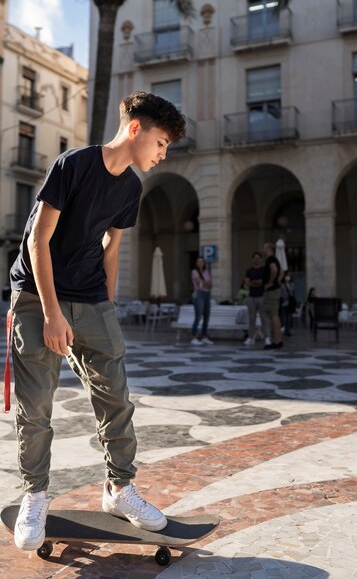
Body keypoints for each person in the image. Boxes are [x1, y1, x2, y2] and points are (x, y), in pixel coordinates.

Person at [8, 91, 186, 551]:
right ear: (135, 130)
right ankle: (36, 494)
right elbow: (37, 241)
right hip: (36, 294)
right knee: (36, 406)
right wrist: (50, 313)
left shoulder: (131, 187)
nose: (163, 154)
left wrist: (105, 309)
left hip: (91, 298)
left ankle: (119, 489)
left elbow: (113, 247)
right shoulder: (74, 165)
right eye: (162, 142)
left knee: (116, 398)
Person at [262, 242, 284, 350]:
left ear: (269, 248)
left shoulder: (270, 259)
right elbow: (281, 272)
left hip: (271, 291)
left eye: (264, 248)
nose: (263, 250)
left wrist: (270, 283)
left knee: (273, 315)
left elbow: (274, 270)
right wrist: (277, 282)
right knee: (274, 315)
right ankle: (278, 339)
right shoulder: (275, 259)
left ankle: (276, 341)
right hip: (275, 289)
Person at [243, 252, 267, 346]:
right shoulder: (249, 271)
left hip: (262, 296)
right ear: (252, 259)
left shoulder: (264, 270)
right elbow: (247, 283)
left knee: (264, 318)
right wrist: (256, 282)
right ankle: (250, 337)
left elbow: (262, 282)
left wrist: (253, 282)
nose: (256, 259)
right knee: (251, 319)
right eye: (255, 258)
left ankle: (267, 337)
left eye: (258, 257)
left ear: (261, 259)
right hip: (251, 296)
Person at [191, 256, 213, 345]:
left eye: (202, 261)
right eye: (198, 261)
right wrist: (205, 283)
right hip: (198, 294)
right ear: (196, 263)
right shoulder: (194, 272)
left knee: (206, 317)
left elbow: (210, 285)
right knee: (198, 316)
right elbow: (198, 282)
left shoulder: (207, 272)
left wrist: (205, 283)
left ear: (204, 263)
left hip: (207, 294)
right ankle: (194, 337)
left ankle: (204, 336)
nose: (200, 263)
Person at [280, 272, 296, 337]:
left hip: (289, 302)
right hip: (283, 302)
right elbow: (281, 293)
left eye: (289, 276)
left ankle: (287, 331)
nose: (288, 277)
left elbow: (292, 292)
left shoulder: (291, 284)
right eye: (287, 276)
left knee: (288, 317)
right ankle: (282, 328)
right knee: (283, 317)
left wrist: (287, 286)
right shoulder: (281, 284)